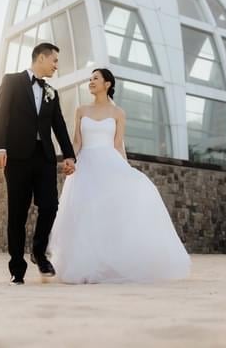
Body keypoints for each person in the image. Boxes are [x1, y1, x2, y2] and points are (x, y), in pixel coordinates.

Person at [48, 68, 191, 283]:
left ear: (107, 84)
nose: (91, 82)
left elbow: (117, 145)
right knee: (85, 214)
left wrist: (126, 170)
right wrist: (70, 160)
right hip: (86, 165)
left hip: (109, 164)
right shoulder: (81, 110)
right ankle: (86, 264)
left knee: (112, 212)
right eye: (90, 79)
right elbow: (77, 141)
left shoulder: (118, 113)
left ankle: (110, 263)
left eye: (95, 78)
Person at [0, 42, 76, 285]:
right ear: (41, 58)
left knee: (50, 205)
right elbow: (0, 114)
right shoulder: (12, 81)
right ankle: (17, 269)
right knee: (17, 213)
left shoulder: (52, 92)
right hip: (17, 157)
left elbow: (58, 125)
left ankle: (39, 252)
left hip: (44, 158)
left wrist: (69, 155)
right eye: (55, 61)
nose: (56, 66)